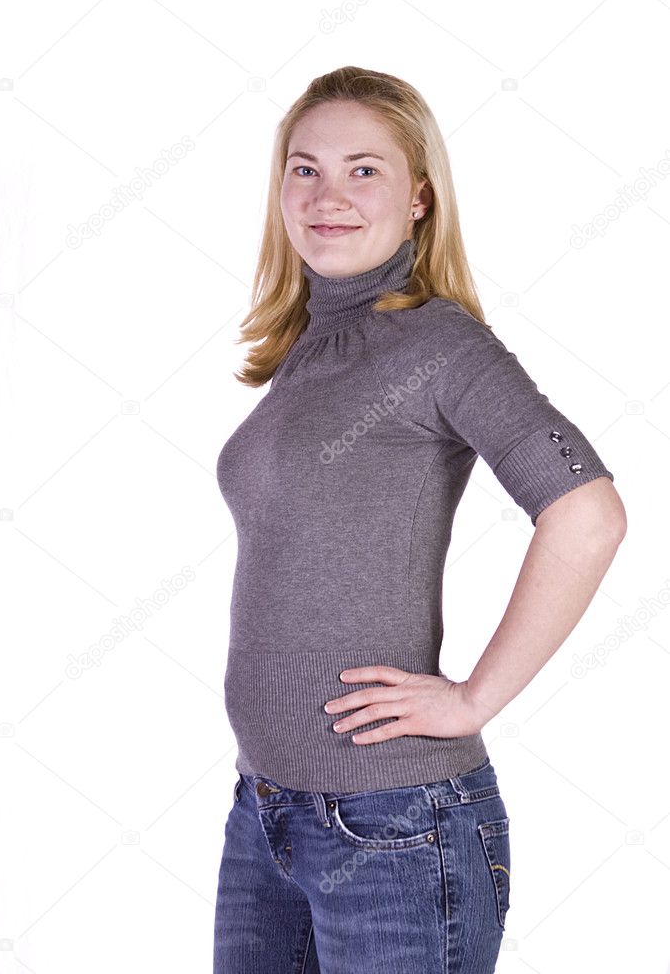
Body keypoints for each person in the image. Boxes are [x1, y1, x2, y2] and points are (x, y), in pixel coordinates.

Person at [212, 65, 626, 974]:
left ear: (419, 197)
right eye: (304, 168)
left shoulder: (437, 342)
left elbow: (587, 512)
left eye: (365, 170)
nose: (328, 195)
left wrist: (474, 696)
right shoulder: (310, 346)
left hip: (394, 825)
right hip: (267, 811)